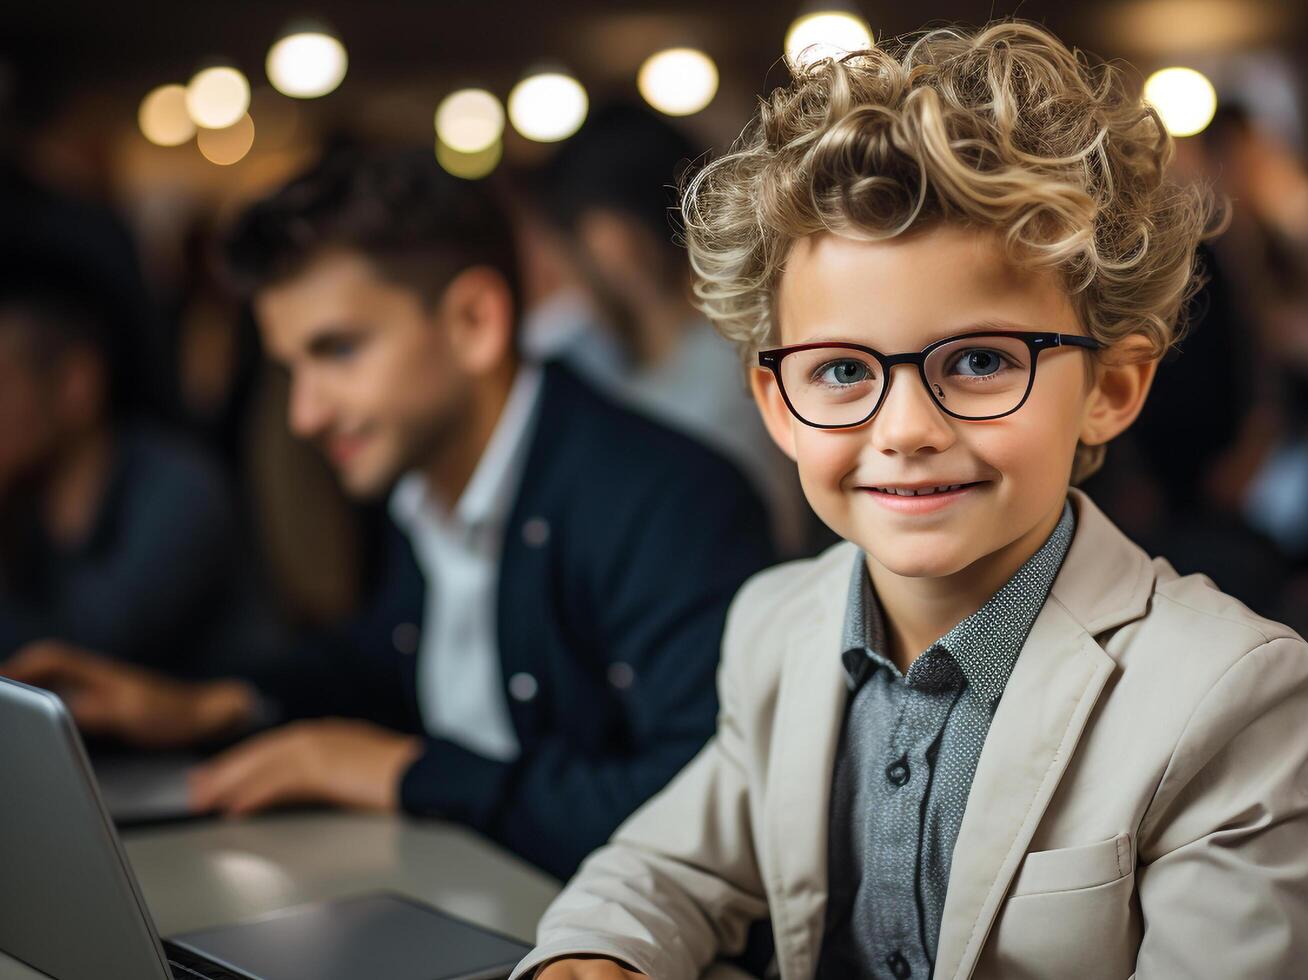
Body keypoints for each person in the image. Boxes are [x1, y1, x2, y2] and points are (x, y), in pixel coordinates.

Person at [516, 21, 1308, 980]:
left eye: (981, 361)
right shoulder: (776, 629)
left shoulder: (1223, 694)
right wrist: (596, 958)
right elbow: (661, 869)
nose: (904, 430)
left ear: (1110, 389)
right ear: (774, 404)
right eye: (837, 372)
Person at [1, 147, 775, 878]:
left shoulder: (669, 499)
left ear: (475, 321)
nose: (303, 414)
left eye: (337, 350)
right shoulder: (423, 481)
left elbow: (703, 808)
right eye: (289, 367)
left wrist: (402, 773)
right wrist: (211, 705)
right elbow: (383, 658)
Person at [516, 102, 811, 555]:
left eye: (564, 262)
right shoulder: (595, 351)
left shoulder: (724, 380)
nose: (568, 288)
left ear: (611, 244)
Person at [0, 262, 279, 679]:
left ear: (78, 383)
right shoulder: (26, 499)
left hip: (215, 733)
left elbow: (86, 654)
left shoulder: (181, 489)